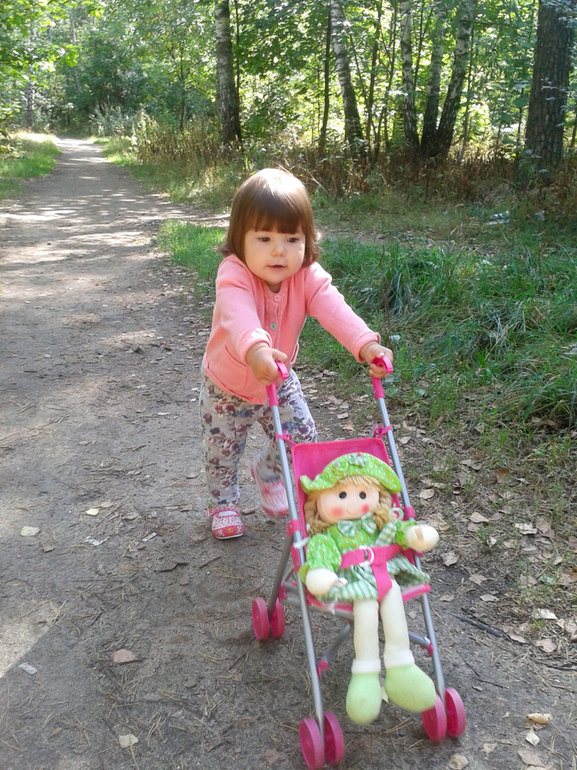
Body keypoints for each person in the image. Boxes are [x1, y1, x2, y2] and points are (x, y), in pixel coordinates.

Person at [200, 168, 393, 539]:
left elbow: (334, 308)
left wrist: (365, 343)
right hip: (227, 385)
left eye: (292, 238)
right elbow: (238, 314)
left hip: (279, 379)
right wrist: (256, 349)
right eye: (264, 238)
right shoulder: (233, 273)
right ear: (239, 238)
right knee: (222, 450)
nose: (279, 250)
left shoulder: (306, 276)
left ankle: (270, 471)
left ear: (308, 239)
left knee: (302, 435)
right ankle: (223, 503)